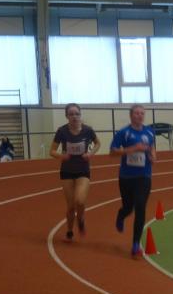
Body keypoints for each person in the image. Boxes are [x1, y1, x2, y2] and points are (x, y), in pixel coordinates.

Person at [110, 104, 157, 257]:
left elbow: (152, 148)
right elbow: (112, 152)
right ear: (131, 115)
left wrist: (153, 157)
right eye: (136, 113)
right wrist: (133, 149)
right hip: (126, 177)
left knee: (140, 206)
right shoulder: (123, 133)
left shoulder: (149, 132)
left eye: (142, 113)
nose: (139, 115)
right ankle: (121, 214)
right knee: (128, 208)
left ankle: (136, 244)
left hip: (144, 176)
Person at [50, 103, 100, 241]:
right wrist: (62, 156)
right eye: (71, 114)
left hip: (83, 170)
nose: (74, 117)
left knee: (80, 201)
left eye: (77, 114)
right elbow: (52, 151)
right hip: (67, 171)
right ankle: (70, 231)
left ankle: (81, 218)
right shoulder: (62, 131)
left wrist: (90, 154)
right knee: (71, 206)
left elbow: (97, 143)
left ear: (80, 115)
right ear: (67, 116)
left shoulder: (88, 130)